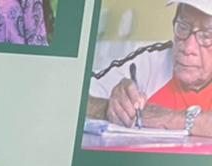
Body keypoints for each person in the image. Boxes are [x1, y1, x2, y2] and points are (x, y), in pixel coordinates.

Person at [88, 1, 212, 136]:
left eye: (207, 36)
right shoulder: (148, 61)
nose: (188, 48)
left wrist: (169, 119)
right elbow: (77, 96)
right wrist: (111, 108)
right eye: (183, 27)